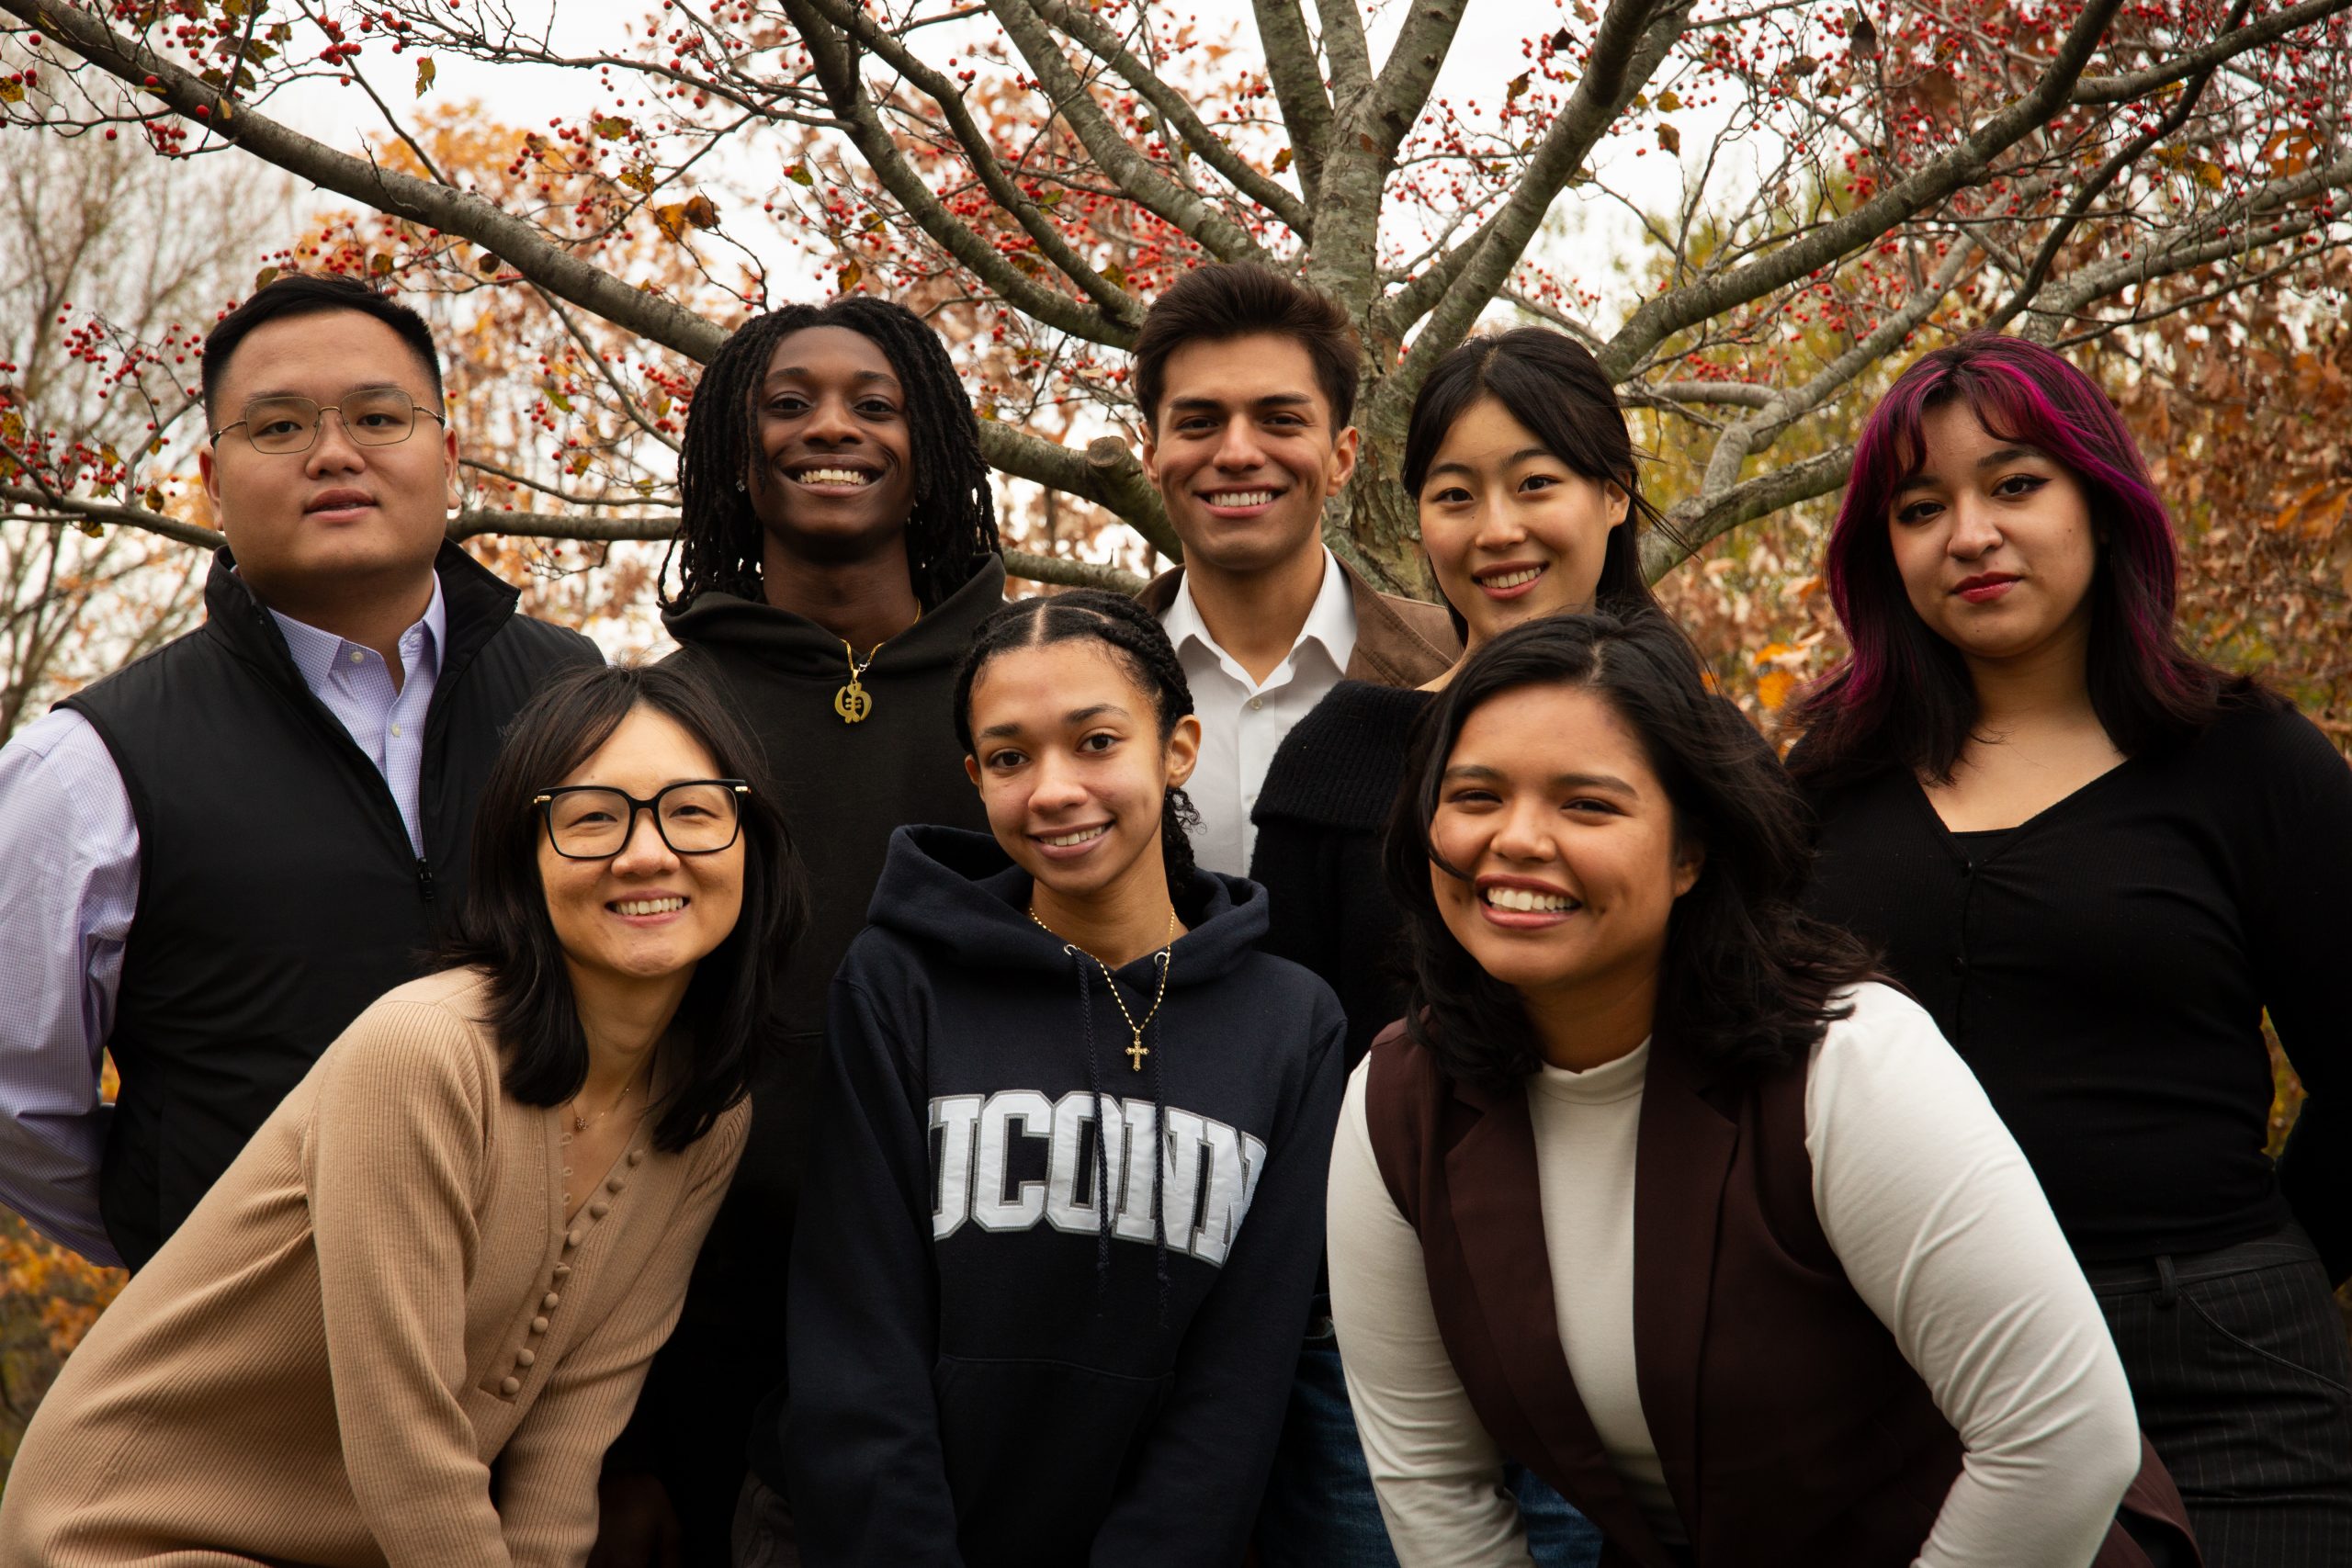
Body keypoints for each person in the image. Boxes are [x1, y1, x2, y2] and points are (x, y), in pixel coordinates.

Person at [1329, 610, 2197, 1568]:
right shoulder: (1398, 1105)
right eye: (1476, 795)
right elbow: (1432, 1484)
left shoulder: (1849, 1063)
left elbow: (2064, 1439)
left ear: (1691, 853)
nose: (1517, 840)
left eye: (1588, 805)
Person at [0, 660, 795, 1568]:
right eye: (591, 819)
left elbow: (566, 1447)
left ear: (749, 843)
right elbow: (404, 1444)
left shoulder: (702, 1111)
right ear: (522, 863)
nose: (646, 853)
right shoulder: (423, 1054)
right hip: (127, 1532)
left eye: (693, 811)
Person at [1789, 332, 2352, 1564]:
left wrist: (2249, 1264)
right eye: (1920, 506)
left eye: (2016, 483)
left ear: (2103, 497)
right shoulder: (1829, 786)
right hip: (1904, 1373)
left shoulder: (2248, 759)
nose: (1970, 533)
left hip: (2220, 1383)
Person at [0, 273, 600, 1271]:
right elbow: (18, 1103)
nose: (334, 454)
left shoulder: (580, 698)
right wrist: (182, 1244)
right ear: (211, 477)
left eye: (378, 416)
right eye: (277, 428)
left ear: (448, 456)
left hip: (563, 1323)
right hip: (258, 1357)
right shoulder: (90, 765)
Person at [769, 591, 1345, 1567]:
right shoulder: (900, 984)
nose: (1052, 790)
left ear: (1177, 748)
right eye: (1009, 757)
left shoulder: (1291, 1023)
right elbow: (858, 1340)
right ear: (974, 777)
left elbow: (1241, 1382)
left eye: (1095, 742)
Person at [1250, 327, 1657, 1565]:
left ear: (1613, 495)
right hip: (1379, 1345)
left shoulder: (1704, 758)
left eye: (1536, 483)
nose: (1498, 529)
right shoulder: (1342, 752)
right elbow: (1292, 1059)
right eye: (1455, 493)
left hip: (1642, 1337)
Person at [611, 296, 1006, 1562]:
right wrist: (610, 1451)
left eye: (875, 403)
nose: (830, 425)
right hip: (699, 1321)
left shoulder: (1035, 695)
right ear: (738, 449)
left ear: (932, 447)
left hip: (980, 1305)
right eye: (789, 402)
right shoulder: (654, 718)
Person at [1129, 261, 1456, 880]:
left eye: (1280, 420)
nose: (1238, 454)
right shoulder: (1077, 682)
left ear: (1340, 457)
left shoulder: (1457, 664)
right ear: (1150, 454)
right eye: (1199, 422)